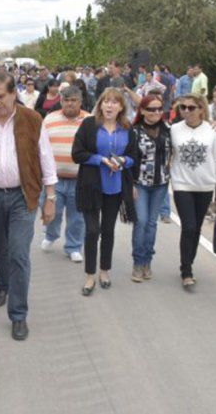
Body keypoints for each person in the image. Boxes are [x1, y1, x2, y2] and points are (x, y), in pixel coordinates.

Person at [0, 72, 57, 341]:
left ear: (13, 93)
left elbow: (46, 158)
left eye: (0, 97)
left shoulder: (32, 120)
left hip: (22, 196)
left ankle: (18, 315)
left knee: (18, 253)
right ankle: (3, 284)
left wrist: (50, 198)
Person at [72, 88, 137, 296]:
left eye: (114, 102)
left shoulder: (127, 128)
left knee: (108, 231)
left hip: (116, 187)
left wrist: (123, 161)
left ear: (121, 107)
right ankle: (90, 275)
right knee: (92, 231)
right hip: (91, 185)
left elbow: (134, 156)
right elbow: (77, 153)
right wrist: (100, 159)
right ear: (100, 105)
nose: (109, 105)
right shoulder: (89, 125)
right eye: (106, 102)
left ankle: (104, 271)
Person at [171, 93, 216, 290]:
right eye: (183, 107)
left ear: (201, 109)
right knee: (189, 227)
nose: (186, 111)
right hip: (182, 185)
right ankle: (186, 270)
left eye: (191, 107)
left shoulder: (212, 132)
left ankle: (188, 263)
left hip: (205, 186)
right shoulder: (174, 129)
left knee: (197, 228)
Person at [39, 85, 90, 263]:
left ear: (80, 102)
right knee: (53, 212)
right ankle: (51, 235)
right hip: (54, 179)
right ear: (61, 101)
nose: (69, 104)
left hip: (80, 179)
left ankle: (73, 247)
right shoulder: (49, 119)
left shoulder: (90, 120)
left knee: (77, 217)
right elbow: (41, 146)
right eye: (66, 100)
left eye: (73, 100)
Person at [130, 95, 171, 282]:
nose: (156, 112)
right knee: (141, 222)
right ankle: (138, 262)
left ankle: (147, 261)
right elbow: (129, 159)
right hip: (140, 184)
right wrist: (130, 184)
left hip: (161, 184)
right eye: (151, 109)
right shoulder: (135, 131)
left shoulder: (169, 130)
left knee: (152, 224)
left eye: (159, 109)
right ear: (143, 110)